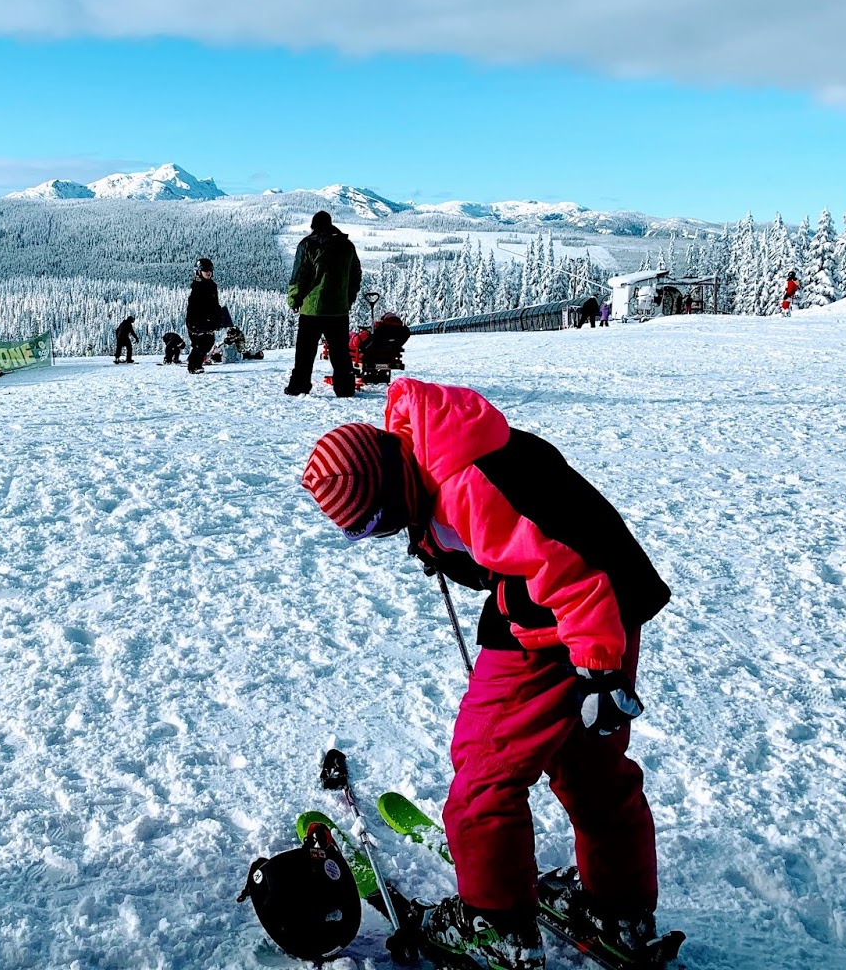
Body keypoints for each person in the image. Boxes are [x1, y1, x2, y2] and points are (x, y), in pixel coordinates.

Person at [301, 379, 671, 970]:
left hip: (564, 621)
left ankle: (494, 923)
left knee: (484, 770)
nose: (382, 536)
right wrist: (440, 543)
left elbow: (565, 566)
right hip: (605, 607)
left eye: (376, 525)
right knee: (589, 766)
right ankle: (617, 908)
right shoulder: (437, 445)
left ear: (392, 488)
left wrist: (599, 669)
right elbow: (521, 539)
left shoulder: (467, 484)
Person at [285, 211, 362, 398]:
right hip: (338, 311)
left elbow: (299, 275)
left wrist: (294, 299)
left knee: (305, 352)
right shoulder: (347, 245)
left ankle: (299, 386)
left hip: (312, 310)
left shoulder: (307, 244)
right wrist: (348, 299)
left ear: (314, 226)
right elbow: (355, 275)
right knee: (340, 352)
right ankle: (345, 388)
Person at [185, 258, 221, 374]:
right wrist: (194, 323)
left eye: (210, 270)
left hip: (209, 320)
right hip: (196, 320)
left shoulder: (212, 286)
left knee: (209, 341)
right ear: (199, 272)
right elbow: (193, 306)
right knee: (199, 343)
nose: (208, 273)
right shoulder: (197, 286)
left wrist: (218, 317)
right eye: (205, 271)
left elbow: (215, 304)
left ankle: (195, 362)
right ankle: (193, 366)